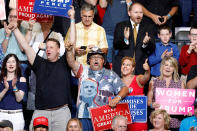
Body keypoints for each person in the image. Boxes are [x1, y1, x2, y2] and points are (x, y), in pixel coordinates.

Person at [11, 7, 76, 131]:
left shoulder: (64, 62)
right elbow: (25, 46)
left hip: (61, 113)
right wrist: (15, 30)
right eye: (47, 47)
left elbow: (72, 42)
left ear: (58, 50)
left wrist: (72, 18)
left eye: (52, 47)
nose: (48, 49)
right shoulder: (39, 63)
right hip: (41, 112)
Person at [65, 43, 129, 131]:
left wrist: (117, 98)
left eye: (99, 57)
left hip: (103, 117)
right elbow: (71, 62)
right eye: (93, 57)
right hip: (84, 115)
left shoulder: (111, 74)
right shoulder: (83, 70)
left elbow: (125, 89)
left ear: (103, 60)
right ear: (89, 60)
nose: (95, 59)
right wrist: (69, 51)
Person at [113, 2, 155, 76]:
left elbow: (152, 48)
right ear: (129, 13)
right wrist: (125, 39)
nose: (139, 15)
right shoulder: (121, 26)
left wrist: (145, 44)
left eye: (141, 12)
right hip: (123, 68)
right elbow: (116, 45)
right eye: (136, 12)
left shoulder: (149, 27)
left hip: (140, 69)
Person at [147, 57, 185, 130]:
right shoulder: (153, 82)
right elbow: (148, 101)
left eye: (171, 66)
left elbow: (184, 103)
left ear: (174, 69)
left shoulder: (180, 84)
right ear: (162, 67)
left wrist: (187, 110)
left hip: (174, 122)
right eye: (166, 65)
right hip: (157, 122)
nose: (168, 68)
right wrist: (152, 104)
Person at [121, 56, 150, 130]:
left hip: (138, 121)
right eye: (123, 64)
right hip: (123, 120)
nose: (125, 67)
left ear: (133, 68)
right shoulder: (116, 81)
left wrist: (147, 71)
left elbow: (145, 78)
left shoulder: (138, 78)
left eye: (128, 65)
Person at [0, 54, 27, 131]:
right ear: (5, 65)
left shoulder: (22, 79)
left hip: (16, 116)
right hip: (1, 115)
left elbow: (19, 99)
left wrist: (14, 87)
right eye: (8, 62)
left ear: (17, 64)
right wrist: (5, 89)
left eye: (13, 62)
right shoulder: (0, 80)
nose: (11, 64)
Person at [0, 9, 28, 77]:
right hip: (6, 64)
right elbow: (2, 51)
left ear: (20, 19)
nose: (12, 19)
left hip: (21, 64)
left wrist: (15, 30)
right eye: (10, 16)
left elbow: (23, 49)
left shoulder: (24, 30)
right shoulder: (2, 30)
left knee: (21, 87)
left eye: (15, 17)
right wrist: (7, 35)